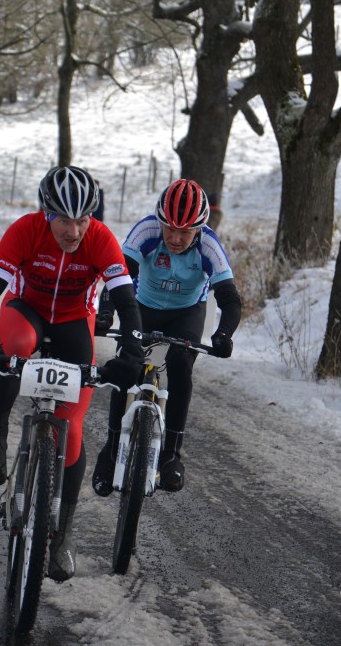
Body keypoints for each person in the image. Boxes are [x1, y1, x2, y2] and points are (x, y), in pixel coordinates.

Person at [0, 166, 143, 583]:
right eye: (64, 220)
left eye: (82, 219)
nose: (74, 231)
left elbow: (126, 301)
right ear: (47, 214)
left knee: (72, 427)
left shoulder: (101, 239)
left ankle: (62, 532)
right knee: (15, 348)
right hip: (25, 309)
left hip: (73, 321)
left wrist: (132, 351)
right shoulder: (25, 230)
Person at [92, 178, 242, 495]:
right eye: (169, 229)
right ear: (159, 221)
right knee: (127, 364)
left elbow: (229, 299)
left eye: (184, 232)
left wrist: (223, 334)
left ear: (199, 228)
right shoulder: (146, 231)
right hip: (142, 306)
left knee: (180, 365)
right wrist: (106, 313)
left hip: (186, 312)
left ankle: (172, 455)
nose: (174, 238)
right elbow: (117, 277)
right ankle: (111, 449)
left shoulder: (209, 246)